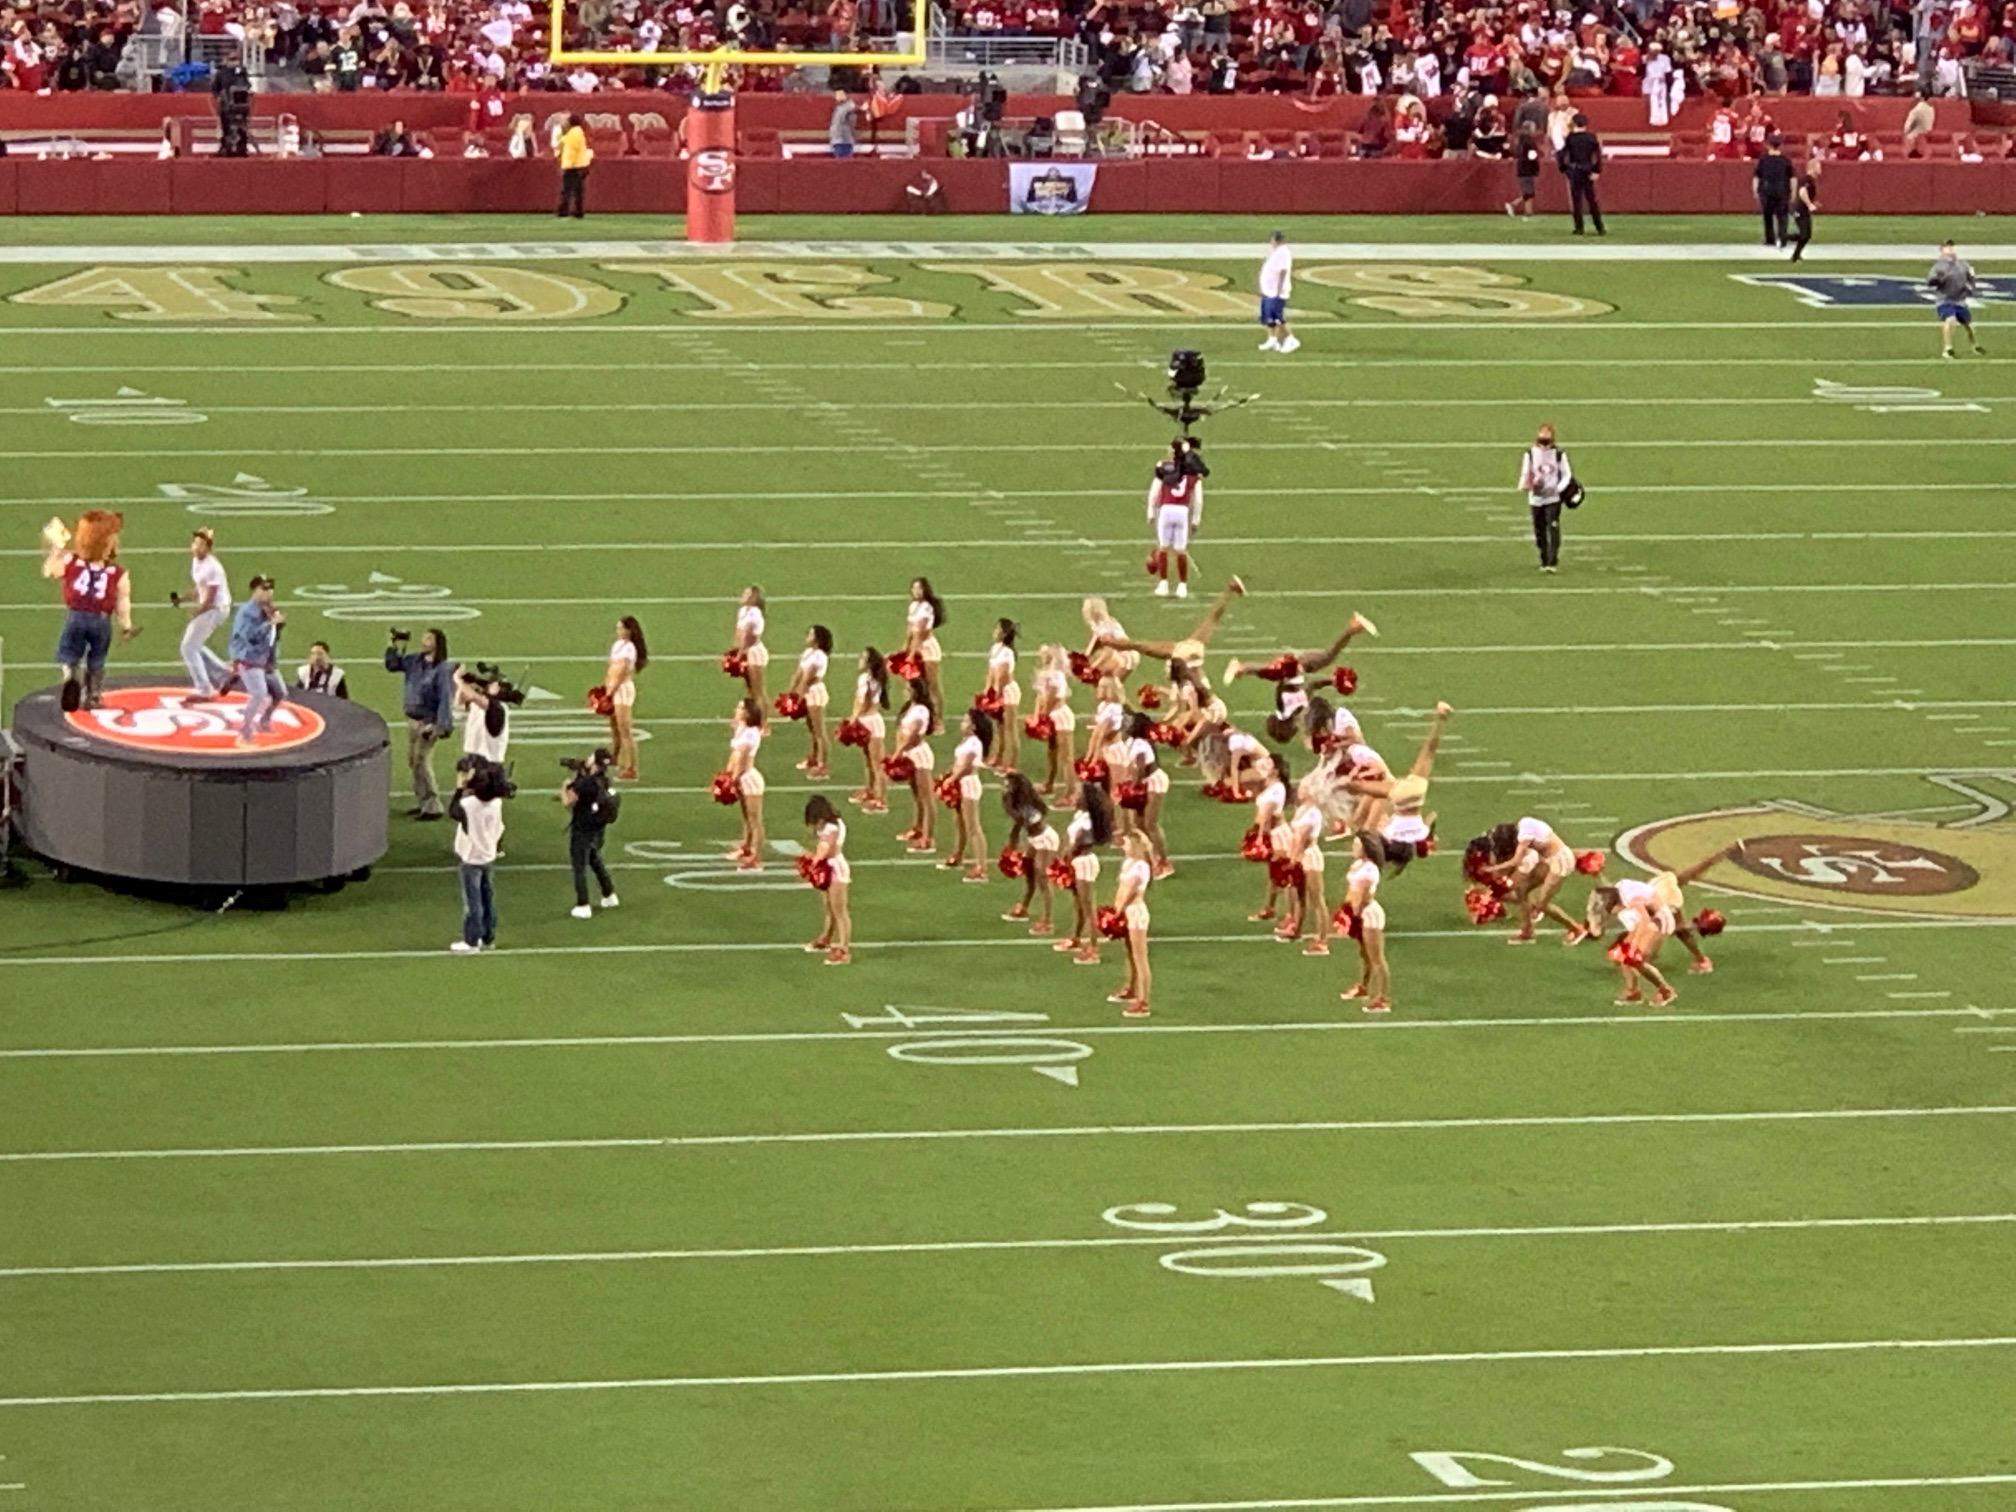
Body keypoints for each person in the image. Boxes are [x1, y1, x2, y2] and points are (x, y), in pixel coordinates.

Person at [42, 510, 136, 714]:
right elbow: (123, 601)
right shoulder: (117, 573)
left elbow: (49, 571)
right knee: (97, 658)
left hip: (76, 616)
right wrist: (126, 625)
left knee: (69, 653)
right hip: (101, 620)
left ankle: (70, 677)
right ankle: (93, 696)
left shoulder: (72, 562)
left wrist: (56, 549)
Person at [385, 628, 457, 820]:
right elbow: (392, 665)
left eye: (428, 638)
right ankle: (423, 802)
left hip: (427, 723)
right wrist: (393, 645)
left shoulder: (442, 669)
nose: (423, 641)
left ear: (437, 643)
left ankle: (433, 806)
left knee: (422, 761)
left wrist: (440, 726)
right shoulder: (415, 661)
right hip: (412, 720)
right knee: (413, 761)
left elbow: (445, 698)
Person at [449, 757, 505, 953]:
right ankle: (488, 936)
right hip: (488, 855)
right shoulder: (496, 803)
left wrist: (460, 787)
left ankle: (472, 940)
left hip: (471, 857)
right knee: (487, 898)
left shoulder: (469, 804)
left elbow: (453, 811)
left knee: (473, 901)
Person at [226, 575, 286, 748]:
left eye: (270, 589)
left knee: (280, 693)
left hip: (265, 660)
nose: (269, 592)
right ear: (255, 590)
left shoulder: (269, 609)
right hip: (248, 658)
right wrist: (270, 624)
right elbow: (249, 637)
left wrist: (278, 627)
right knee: (259, 694)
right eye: (264, 589)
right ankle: (244, 735)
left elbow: (273, 638)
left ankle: (264, 721)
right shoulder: (247, 612)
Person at [562, 747, 620, 919]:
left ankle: (583, 904)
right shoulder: (604, 781)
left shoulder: (587, 783)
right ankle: (609, 894)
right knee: (594, 858)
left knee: (579, 866)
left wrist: (565, 786)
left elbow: (568, 802)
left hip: (583, 828)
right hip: (598, 829)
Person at [1336, 830, 1390, 1012]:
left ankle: (1382, 998)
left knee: (1377, 958)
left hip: (1368, 914)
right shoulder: (1359, 864)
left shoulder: (1370, 869)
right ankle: (1364, 987)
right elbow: (1352, 890)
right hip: (1358, 912)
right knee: (1364, 953)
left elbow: (1364, 896)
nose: (1354, 847)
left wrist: (1353, 914)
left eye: (1357, 845)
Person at [1001, 770, 1060, 935]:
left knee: (1042, 878)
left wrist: (1011, 846)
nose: (1005, 788)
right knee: (1029, 873)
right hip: (1035, 839)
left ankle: (1048, 921)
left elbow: (1018, 825)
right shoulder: (1018, 801)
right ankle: (1024, 907)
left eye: (1008, 785)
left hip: (1046, 840)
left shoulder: (1023, 804)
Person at [1146, 442, 1206, 600]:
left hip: (1166, 509)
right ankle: (1182, 586)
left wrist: (1151, 511)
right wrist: (1196, 519)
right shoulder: (1193, 473)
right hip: (1182, 511)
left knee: (1163, 548)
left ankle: (1163, 584)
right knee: (1180, 550)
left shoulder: (1163, 468)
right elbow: (1198, 500)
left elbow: (1154, 492)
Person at [179, 527, 231, 697]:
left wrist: (197, 612)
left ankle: (204, 689)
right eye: (195, 543)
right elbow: (200, 587)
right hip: (210, 607)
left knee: (188, 648)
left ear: (208, 547)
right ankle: (224, 673)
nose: (196, 547)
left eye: (201, 544)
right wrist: (183, 598)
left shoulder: (213, 567)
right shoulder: (197, 561)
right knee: (193, 645)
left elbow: (211, 598)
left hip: (216, 609)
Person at [1107, 830, 1155, 1016]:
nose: (1124, 846)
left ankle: (1144, 1002)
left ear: (1135, 846)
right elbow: (1121, 888)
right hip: (1125, 912)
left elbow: (1131, 891)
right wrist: (1116, 910)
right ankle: (1132, 989)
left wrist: (1118, 912)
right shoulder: (1129, 863)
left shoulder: (1142, 866)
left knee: (1140, 958)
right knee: (1130, 954)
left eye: (1127, 843)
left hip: (1135, 912)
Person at [942, 707, 993, 882]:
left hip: (968, 784)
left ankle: (982, 868)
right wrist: (949, 775)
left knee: (973, 827)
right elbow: (959, 763)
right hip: (961, 783)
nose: (962, 723)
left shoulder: (974, 743)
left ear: (973, 726)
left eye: (966, 721)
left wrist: (951, 779)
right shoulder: (967, 741)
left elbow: (967, 766)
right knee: (960, 823)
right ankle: (958, 855)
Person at [803, 795, 853, 966]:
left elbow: (827, 848)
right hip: (828, 866)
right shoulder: (831, 824)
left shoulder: (831, 827)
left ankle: (844, 950)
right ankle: (826, 938)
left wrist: (813, 861)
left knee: (840, 910)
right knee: (829, 906)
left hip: (835, 868)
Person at [1518, 422, 1573, 573]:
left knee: (1553, 527)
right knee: (1539, 530)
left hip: (1553, 499)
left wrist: (1558, 489)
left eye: (1547, 438)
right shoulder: (1530, 453)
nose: (1544, 442)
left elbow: (1567, 474)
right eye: (1542, 438)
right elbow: (1525, 473)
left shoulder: (1559, 454)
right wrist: (1526, 484)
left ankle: (1552, 561)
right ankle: (1544, 558)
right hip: (1536, 499)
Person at [846, 647, 891, 814]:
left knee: (877, 764)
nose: (860, 660)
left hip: (870, 722)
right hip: (867, 721)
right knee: (869, 761)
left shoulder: (867, 679)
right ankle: (870, 791)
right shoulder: (871, 678)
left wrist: (854, 718)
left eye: (863, 658)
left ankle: (882, 800)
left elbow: (863, 702)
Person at [785, 624, 833, 778]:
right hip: (806, 693)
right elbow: (798, 674)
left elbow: (808, 678)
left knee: (819, 732)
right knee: (812, 729)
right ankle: (814, 758)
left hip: (815, 693)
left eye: (811, 634)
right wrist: (789, 693)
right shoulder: (808, 653)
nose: (807, 636)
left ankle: (822, 765)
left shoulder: (819, 656)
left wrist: (798, 697)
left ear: (818, 639)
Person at [725, 697, 768, 871]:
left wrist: (733, 778)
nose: (737, 710)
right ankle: (747, 847)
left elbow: (742, 759)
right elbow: (734, 755)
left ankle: (756, 857)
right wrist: (727, 774)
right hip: (740, 778)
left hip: (749, 779)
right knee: (746, 818)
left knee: (755, 820)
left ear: (748, 713)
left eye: (741, 708)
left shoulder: (751, 733)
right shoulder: (742, 728)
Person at [603, 615, 647, 781]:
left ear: (629, 631)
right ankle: (615, 757)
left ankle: (631, 768)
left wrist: (611, 690)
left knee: (625, 730)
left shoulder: (630, 648)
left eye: (621, 628)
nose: (618, 631)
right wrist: (606, 687)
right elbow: (611, 668)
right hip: (612, 688)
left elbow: (622, 672)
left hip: (622, 690)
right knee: (614, 727)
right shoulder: (617, 645)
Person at [1928, 239, 1987, 359]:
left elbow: (1971, 278)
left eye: (1951, 246)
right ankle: (1948, 349)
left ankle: (1975, 345)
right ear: (1941, 250)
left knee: (1969, 325)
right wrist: (1939, 280)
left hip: (1960, 300)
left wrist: (1971, 287)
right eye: (1947, 247)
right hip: (1945, 300)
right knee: (1950, 319)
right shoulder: (1938, 267)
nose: (1950, 249)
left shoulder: (1963, 264)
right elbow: (1930, 281)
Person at [902, 577, 947, 729]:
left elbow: (921, 633)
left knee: (932, 684)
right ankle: (917, 716)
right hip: (915, 648)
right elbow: (910, 629)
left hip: (927, 649)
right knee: (914, 684)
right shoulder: (913, 606)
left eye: (919, 588)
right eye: (914, 588)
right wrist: (904, 648)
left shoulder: (927, 608)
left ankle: (938, 720)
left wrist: (911, 654)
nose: (916, 591)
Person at [1559, 111, 1604, 235]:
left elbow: (1562, 155)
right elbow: (1597, 156)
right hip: (1588, 170)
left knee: (1576, 201)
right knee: (1592, 200)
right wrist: (1596, 170)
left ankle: (1579, 228)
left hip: (1575, 170)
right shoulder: (1591, 137)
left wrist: (1564, 169)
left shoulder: (1571, 138)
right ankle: (1599, 227)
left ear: (1574, 124)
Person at [1258, 230, 1299, 353]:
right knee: (1269, 317)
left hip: (1276, 291)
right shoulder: (1276, 252)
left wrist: (1279, 290)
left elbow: (1283, 271)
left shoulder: (1283, 252)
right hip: (1269, 290)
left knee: (1277, 317)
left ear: (1276, 240)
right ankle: (1272, 340)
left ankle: (1291, 338)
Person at [731, 585, 769, 704]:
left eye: (747, 594)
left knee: (758, 690)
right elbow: (739, 632)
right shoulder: (743, 611)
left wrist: (739, 655)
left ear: (753, 598)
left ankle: (764, 715)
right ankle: (755, 714)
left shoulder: (754, 614)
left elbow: (749, 638)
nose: (743, 595)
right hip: (745, 651)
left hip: (754, 652)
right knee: (750, 690)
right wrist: (734, 651)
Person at [1754, 133, 1793, 247]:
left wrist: (1755, 190)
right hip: (1782, 190)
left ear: (1768, 145)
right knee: (1782, 216)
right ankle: (1783, 237)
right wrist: (1793, 191)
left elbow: (1757, 176)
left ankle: (1770, 239)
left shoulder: (1764, 159)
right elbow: (1792, 177)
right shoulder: (1785, 160)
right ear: (1780, 145)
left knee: (1768, 215)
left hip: (1767, 190)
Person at [555, 112, 592, 219]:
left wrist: (566, 166)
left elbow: (570, 151)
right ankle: (579, 211)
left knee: (567, 190)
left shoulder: (572, 134)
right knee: (578, 190)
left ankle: (564, 211)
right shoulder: (579, 133)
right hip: (582, 165)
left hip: (573, 166)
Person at [1506, 119, 1542, 219]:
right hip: (1528, 167)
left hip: (1522, 166)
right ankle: (1514, 204)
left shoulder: (1520, 140)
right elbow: (1532, 155)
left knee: (1528, 191)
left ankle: (1528, 211)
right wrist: (1536, 162)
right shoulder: (1529, 141)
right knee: (1529, 191)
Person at [1789, 158, 1821, 262]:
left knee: (1807, 235)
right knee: (1804, 234)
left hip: (1804, 210)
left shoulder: (1811, 180)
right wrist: (1809, 204)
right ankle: (1783, 237)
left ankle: (1796, 256)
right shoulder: (1806, 179)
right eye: (1818, 166)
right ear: (1812, 167)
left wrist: (1813, 203)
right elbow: (1802, 192)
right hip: (1800, 210)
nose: (1820, 169)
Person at [828, 88, 858, 158]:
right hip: (839, 139)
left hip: (844, 140)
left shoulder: (848, 108)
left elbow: (852, 123)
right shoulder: (840, 108)